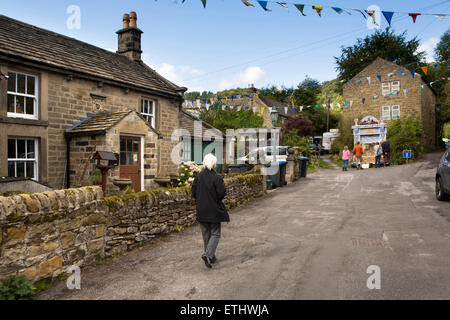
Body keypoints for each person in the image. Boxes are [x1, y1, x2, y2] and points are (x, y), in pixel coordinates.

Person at [192, 153, 229, 269]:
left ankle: (210, 256)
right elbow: (222, 193)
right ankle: (208, 254)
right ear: (213, 164)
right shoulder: (217, 177)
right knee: (216, 234)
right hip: (214, 211)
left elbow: (193, 192)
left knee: (206, 235)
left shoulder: (198, 177)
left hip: (201, 210)